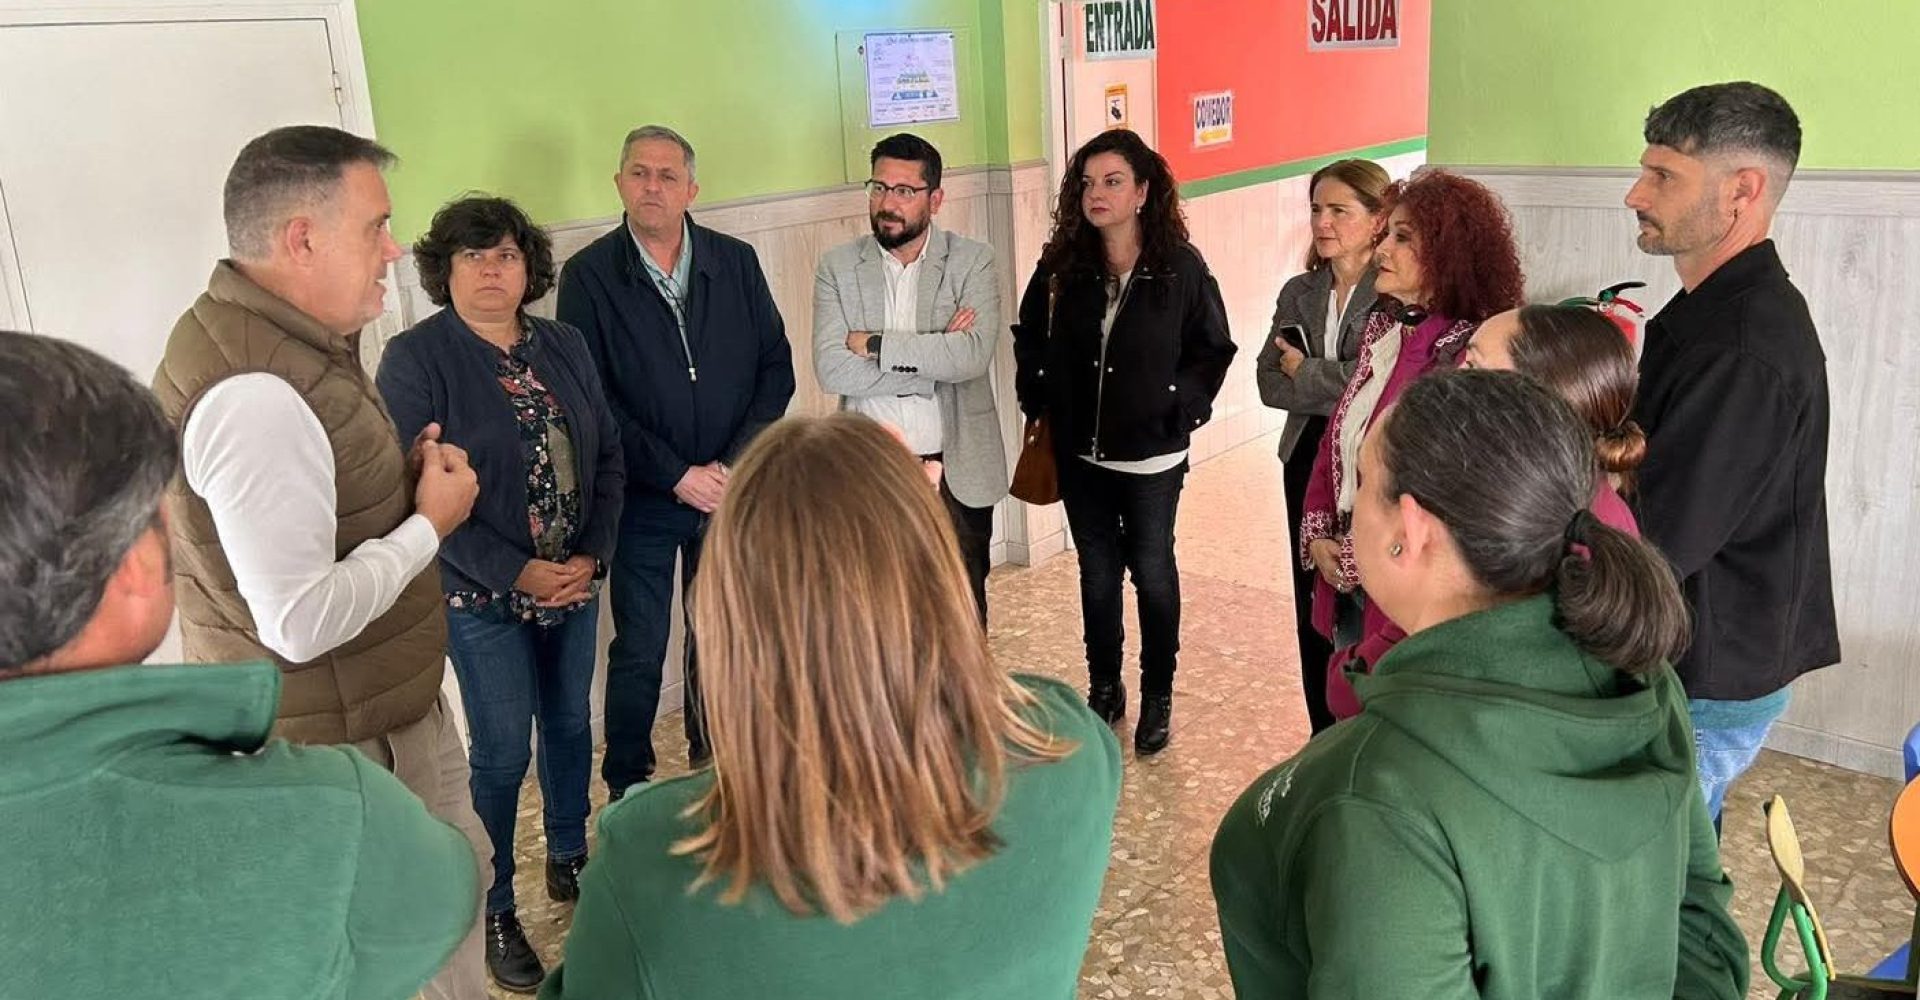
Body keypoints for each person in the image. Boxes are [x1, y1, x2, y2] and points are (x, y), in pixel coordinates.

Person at [540, 413, 1122, 999]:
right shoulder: (1070, 747)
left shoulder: (651, 859)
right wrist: (900, 524)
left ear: (727, 614)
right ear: (938, 571)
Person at [1211, 369, 1749, 1000]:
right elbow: (1705, 947)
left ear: (1409, 533)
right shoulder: (1639, 675)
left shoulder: (1378, 798)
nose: (1353, 506)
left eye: (1363, 483)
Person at [0, 331, 479, 1000]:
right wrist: (426, 526)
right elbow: (441, 896)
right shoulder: (330, 813)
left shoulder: (204, 356)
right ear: (138, 561)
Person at [151, 125, 490, 1000]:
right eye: (375, 226)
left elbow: (319, 511)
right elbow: (296, 623)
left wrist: (401, 485)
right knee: (422, 949)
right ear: (301, 239)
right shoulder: (255, 393)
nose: (393, 249)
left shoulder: (286, 345)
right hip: (347, 747)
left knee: (458, 889)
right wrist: (430, 523)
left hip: (372, 715)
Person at [377, 195, 625, 992]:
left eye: (508, 256)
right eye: (475, 258)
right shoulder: (415, 359)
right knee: (501, 751)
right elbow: (419, 491)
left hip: (574, 580)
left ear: (530, 267)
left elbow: (609, 455)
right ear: (442, 271)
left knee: (565, 726)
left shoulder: (565, 343)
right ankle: (494, 908)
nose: (493, 271)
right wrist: (513, 571)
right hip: (482, 598)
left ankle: (568, 855)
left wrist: (593, 554)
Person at [557, 125, 796, 797]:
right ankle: (628, 782)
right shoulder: (590, 277)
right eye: (639, 173)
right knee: (639, 647)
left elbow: (775, 370)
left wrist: (728, 465)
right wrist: (676, 475)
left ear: (692, 188)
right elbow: (593, 397)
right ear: (619, 183)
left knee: (720, 634)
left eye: (667, 175)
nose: (652, 186)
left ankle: (715, 760)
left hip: (727, 491)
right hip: (645, 498)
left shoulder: (736, 262)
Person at [1624, 81, 1837, 824]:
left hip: (1709, 669)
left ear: (1742, 190)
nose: (1634, 194)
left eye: (1663, 177)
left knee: (1666, 877)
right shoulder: (1717, 313)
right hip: (1703, 653)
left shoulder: (1743, 346)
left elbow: (1660, 543)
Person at [1012, 128, 1236, 755]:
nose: (1096, 194)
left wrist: (1179, 410)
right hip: (1080, 452)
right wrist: (1038, 392)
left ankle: (1157, 693)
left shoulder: (1179, 267)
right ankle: (1104, 688)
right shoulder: (1063, 265)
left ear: (1142, 191)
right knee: (1097, 572)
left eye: (1112, 181)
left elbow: (1212, 349)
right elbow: (1029, 334)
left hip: (1153, 456)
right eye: (1087, 183)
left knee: (1153, 571)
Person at [1323, 301, 1652, 721]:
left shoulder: (1526, 519)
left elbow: (1406, 669)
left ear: (1535, 396)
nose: (1454, 379)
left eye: (1473, 366)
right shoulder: (1580, 501)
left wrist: (1360, 670)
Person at [1297, 169, 1523, 718]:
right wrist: (1321, 532)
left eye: (1403, 238)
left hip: (1402, 586)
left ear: (1448, 256)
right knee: (1336, 704)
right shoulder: (1386, 329)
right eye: (1387, 234)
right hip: (1351, 566)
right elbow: (1338, 437)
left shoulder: (1467, 355)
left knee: (1377, 718)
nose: (1382, 251)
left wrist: (1359, 554)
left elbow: (1442, 495)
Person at [813, 133, 1006, 623]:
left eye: (903, 191)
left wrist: (875, 346)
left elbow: (971, 358)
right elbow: (832, 368)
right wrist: (932, 358)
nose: (886, 203)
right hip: (869, 470)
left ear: (935, 199)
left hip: (954, 470)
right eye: (878, 187)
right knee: (875, 620)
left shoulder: (972, 260)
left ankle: (964, 705)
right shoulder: (838, 266)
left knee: (961, 617)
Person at [1254, 157, 1390, 735]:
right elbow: (1267, 381)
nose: (1323, 222)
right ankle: (1321, 726)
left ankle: (1361, 722)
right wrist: (1339, 377)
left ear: (1378, 217)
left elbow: (1386, 388)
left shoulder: (1392, 293)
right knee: (1313, 593)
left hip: (1367, 464)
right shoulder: (1301, 291)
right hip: (1304, 455)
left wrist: (1305, 369)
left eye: (1339, 210)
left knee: (1362, 596)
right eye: (1316, 209)